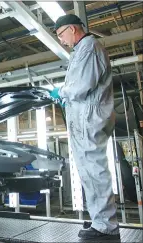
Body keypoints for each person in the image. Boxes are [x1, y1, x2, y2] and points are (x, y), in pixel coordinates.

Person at [50, 14, 120, 240]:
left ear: (72, 29)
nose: (61, 40)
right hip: (85, 119)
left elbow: (80, 86)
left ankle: (106, 226)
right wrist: (66, 95)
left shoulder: (89, 47)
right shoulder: (82, 50)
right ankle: (100, 219)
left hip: (89, 119)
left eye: (61, 35)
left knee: (94, 169)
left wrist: (61, 92)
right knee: (89, 171)